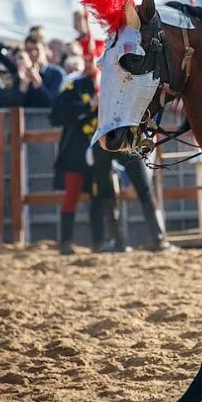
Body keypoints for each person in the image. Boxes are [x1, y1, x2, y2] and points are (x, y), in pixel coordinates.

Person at [49, 57, 127, 255]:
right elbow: (57, 114)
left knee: (99, 198)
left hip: (100, 150)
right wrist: (88, 106)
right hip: (75, 152)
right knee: (71, 195)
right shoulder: (74, 86)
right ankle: (65, 242)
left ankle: (98, 242)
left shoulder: (110, 87)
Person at [7, 33, 65, 108]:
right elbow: (14, 107)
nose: (33, 53)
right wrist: (23, 86)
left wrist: (38, 84)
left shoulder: (57, 74)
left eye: (37, 49)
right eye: (29, 50)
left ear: (45, 49)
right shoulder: (21, 75)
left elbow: (52, 104)